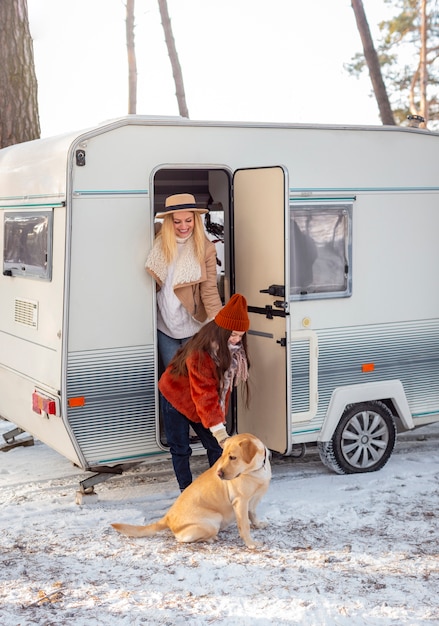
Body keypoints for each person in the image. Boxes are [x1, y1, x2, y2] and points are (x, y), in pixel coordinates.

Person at [158, 293, 251, 491]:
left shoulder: (231, 351)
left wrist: (219, 423)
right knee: (181, 449)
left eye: (241, 336)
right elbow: (205, 394)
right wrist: (219, 430)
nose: (236, 340)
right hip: (176, 398)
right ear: (222, 330)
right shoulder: (201, 353)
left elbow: (221, 392)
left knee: (217, 447)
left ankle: (219, 488)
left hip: (201, 403)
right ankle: (187, 491)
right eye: (233, 335)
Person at [145, 192, 223, 369]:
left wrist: (220, 326)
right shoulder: (158, 239)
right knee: (171, 381)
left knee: (192, 379)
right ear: (168, 222)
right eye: (177, 221)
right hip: (164, 326)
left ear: (195, 220)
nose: (183, 226)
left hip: (193, 327)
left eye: (188, 220)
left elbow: (209, 290)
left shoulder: (206, 248)